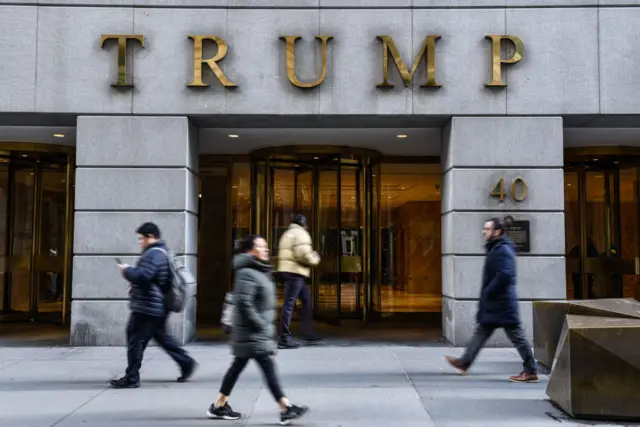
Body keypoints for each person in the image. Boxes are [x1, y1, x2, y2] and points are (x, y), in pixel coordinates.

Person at [207, 235, 309, 425]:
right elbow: (244, 303)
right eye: (261, 247)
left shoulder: (258, 270)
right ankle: (285, 407)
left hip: (251, 333)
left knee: (237, 368)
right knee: (268, 369)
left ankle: (219, 405)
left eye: (266, 246)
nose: (266, 250)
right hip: (252, 332)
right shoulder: (247, 273)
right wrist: (261, 324)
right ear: (250, 251)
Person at [445, 217, 539, 383]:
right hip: (497, 303)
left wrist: (489, 291)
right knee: (481, 332)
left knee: (517, 336)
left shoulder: (503, 250)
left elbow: (505, 275)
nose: (484, 232)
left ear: (496, 232)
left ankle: (531, 370)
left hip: (502, 304)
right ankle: (464, 362)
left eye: (487, 229)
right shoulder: (497, 248)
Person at [110, 222, 197, 388]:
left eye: (141, 238)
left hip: (147, 307)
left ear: (150, 237)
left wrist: (126, 271)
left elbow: (144, 276)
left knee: (135, 340)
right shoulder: (159, 252)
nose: (139, 242)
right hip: (155, 306)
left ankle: (132, 377)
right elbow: (152, 279)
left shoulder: (154, 254)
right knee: (162, 338)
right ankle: (186, 362)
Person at [276, 213, 322, 349]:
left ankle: (308, 332)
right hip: (295, 272)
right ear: (304, 223)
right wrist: (315, 258)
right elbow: (303, 255)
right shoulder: (301, 233)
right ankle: (284, 337)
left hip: (288, 271)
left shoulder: (287, 233)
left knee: (306, 300)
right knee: (289, 304)